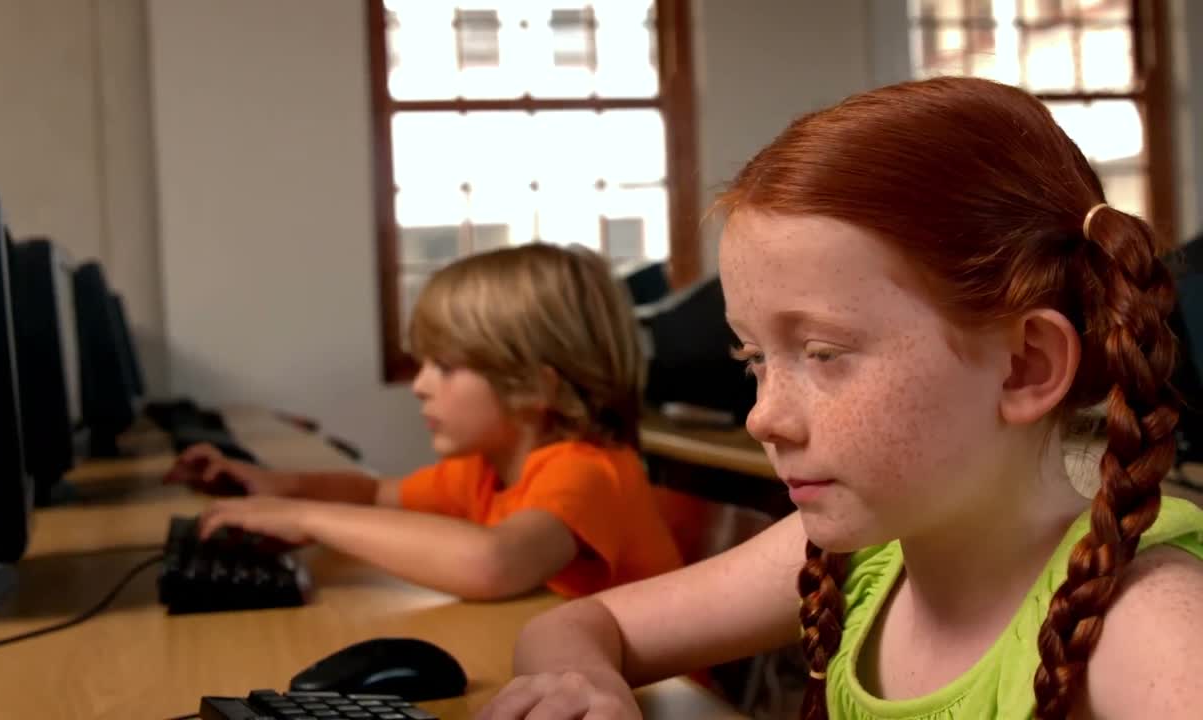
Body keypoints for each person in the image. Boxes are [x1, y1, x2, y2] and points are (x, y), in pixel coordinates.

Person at [475, 76, 1203, 720]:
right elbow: (578, 625)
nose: (763, 415)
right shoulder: (858, 551)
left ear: (1023, 367)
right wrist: (584, 684)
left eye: (822, 354)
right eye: (755, 358)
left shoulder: (1152, 623)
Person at [165, 243, 682, 600]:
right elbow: (374, 495)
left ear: (534, 387)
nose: (420, 385)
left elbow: (494, 563)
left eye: (446, 367)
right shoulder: (488, 469)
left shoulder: (587, 472)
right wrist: (277, 489)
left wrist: (306, 520)